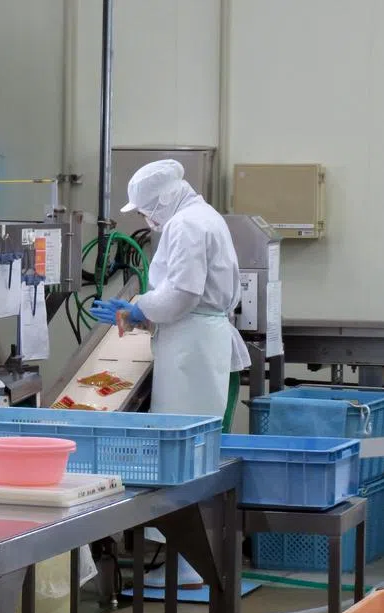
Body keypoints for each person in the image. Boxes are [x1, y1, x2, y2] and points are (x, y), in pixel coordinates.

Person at [91, 159, 250, 587]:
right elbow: (183, 296)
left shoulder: (186, 225)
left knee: (185, 450)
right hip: (191, 342)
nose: (146, 220)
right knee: (192, 447)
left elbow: (182, 293)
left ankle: (190, 566)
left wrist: (139, 307)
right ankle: (191, 559)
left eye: (145, 211)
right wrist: (142, 314)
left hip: (191, 350)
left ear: (160, 202)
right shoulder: (200, 217)